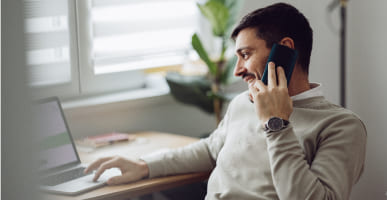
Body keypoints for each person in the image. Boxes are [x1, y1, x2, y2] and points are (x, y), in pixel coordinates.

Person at [85, 3, 367, 199]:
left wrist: (276, 124)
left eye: (245, 54)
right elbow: (210, 149)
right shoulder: (244, 103)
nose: (237, 70)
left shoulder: (341, 126)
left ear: (285, 50)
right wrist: (144, 165)